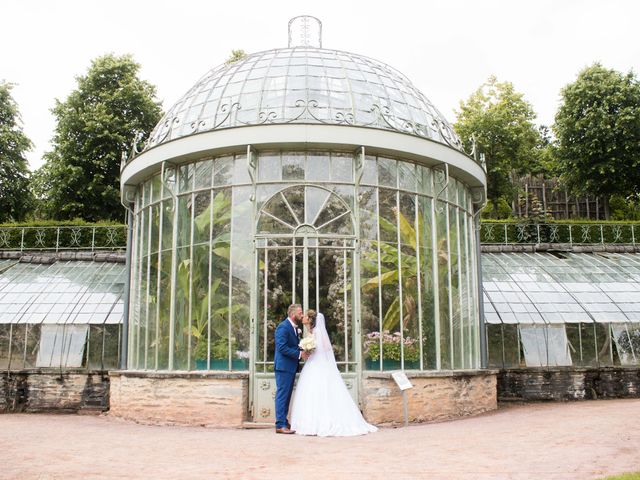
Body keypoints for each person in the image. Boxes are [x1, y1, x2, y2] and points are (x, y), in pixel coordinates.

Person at [290, 310, 378, 436]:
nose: (302, 317)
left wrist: (312, 347)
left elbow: (326, 348)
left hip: (318, 365)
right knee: (312, 392)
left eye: (305, 316)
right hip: (312, 365)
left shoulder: (318, 332)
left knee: (321, 391)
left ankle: (321, 423)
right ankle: (311, 422)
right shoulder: (311, 331)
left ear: (310, 320)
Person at [274, 303, 309, 434]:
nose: (302, 315)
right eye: (300, 313)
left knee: (287, 395)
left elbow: (291, 346)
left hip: (290, 366)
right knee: (282, 395)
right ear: (293, 314)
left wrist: (304, 349)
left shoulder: (294, 328)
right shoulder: (283, 327)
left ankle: (284, 422)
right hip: (283, 367)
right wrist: (300, 354)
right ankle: (280, 424)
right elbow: (282, 348)